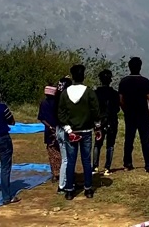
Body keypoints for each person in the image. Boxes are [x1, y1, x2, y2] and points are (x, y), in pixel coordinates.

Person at [59, 64, 103, 199]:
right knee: (86, 160)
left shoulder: (65, 93)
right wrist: (97, 126)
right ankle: (88, 188)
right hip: (86, 131)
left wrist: (68, 129)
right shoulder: (89, 92)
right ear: (83, 76)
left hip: (71, 132)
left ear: (72, 77)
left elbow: (61, 113)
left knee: (70, 161)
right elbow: (96, 111)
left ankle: (69, 190)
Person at [118, 56, 149, 172]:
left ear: (129, 67)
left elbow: (120, 99)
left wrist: (125, 110)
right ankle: (148, 164)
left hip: (130, 113)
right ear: (140, 67)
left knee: (129, 139)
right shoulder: (144, 81)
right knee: (145, 140)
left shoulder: (123, 81)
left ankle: (127, 163)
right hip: (143, 113)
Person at [94, 69, 120, 175]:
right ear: (110, 80)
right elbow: (117, 109)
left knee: (97, 144)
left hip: (99, 121)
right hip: (112, 121)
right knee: (110, 144)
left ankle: (94, 167)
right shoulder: (114, 94)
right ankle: (107, 167)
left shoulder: (96, 93)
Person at [38, 85, 64, 189]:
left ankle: (55, 174)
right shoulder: (59, 104)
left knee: (52, 152)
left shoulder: (43, 103)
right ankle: (62, 173)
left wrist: (49, 126)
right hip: (60, 130)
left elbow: (41, 118)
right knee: (62, 152)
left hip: (49, 131)